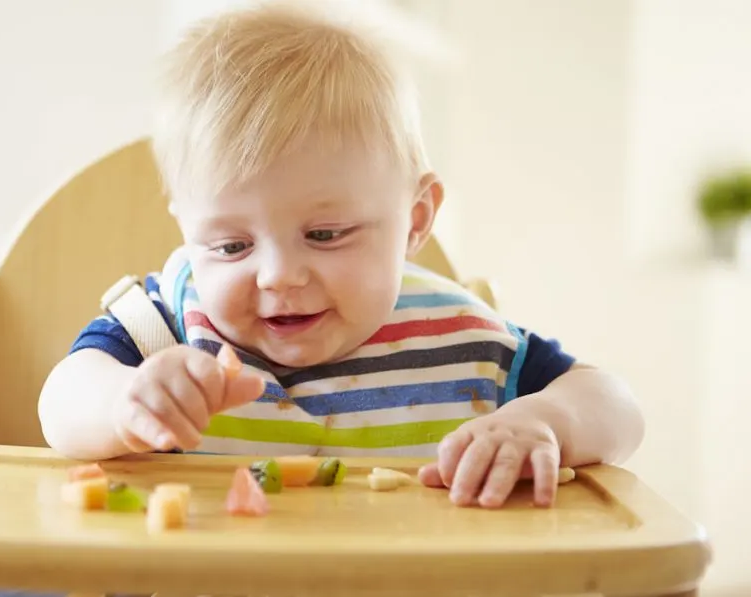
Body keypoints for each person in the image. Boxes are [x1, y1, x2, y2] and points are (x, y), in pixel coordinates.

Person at [38, 2, 644, 509]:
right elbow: (60, 404)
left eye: (325, 235)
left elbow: (615, 405)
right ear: (188, 233)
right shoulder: (164, 331)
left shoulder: (461, 346)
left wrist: (545, 423)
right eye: (231, 246)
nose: (277, 275)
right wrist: (125, 402)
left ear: (414, 220)